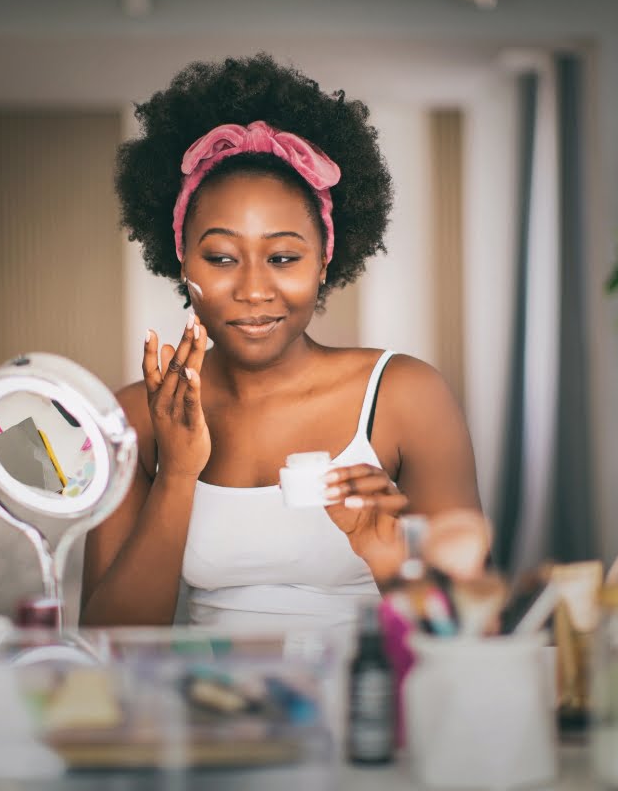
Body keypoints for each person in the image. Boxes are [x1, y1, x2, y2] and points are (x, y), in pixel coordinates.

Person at [80, 54, 486, 630]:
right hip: (207, 713)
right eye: (220, 257)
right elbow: (105, 646)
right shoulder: (134, 419)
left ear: (323, 261)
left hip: (365, 709)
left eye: (283, 258)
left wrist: (388, 557)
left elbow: (474, 633)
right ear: (180, 258)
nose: (252, 289)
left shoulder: (406, 397)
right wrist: (176, 473)